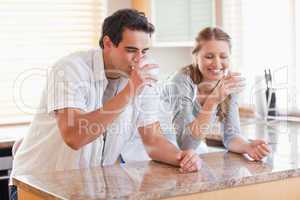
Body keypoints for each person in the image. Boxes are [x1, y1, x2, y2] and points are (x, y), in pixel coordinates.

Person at [9, 9, 201, 200]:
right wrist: (130, 91)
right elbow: (74, 136)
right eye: (131, 50)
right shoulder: (70, 69)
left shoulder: (143, 78)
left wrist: (182, 158)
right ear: (108, 43)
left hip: (86, 189)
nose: (139, 59)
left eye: (144, 51)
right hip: (37, 186)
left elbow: (153, 141)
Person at [160, 27, 271, 160]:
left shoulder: (228, 84)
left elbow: (231, 136)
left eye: (223, 56)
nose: (217, 63)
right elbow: (185, 144)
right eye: (209, 56)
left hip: (192, 154)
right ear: (195, 56)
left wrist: (248, 146)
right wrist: (213, 101)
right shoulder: (180, 82)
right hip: (161, 153)